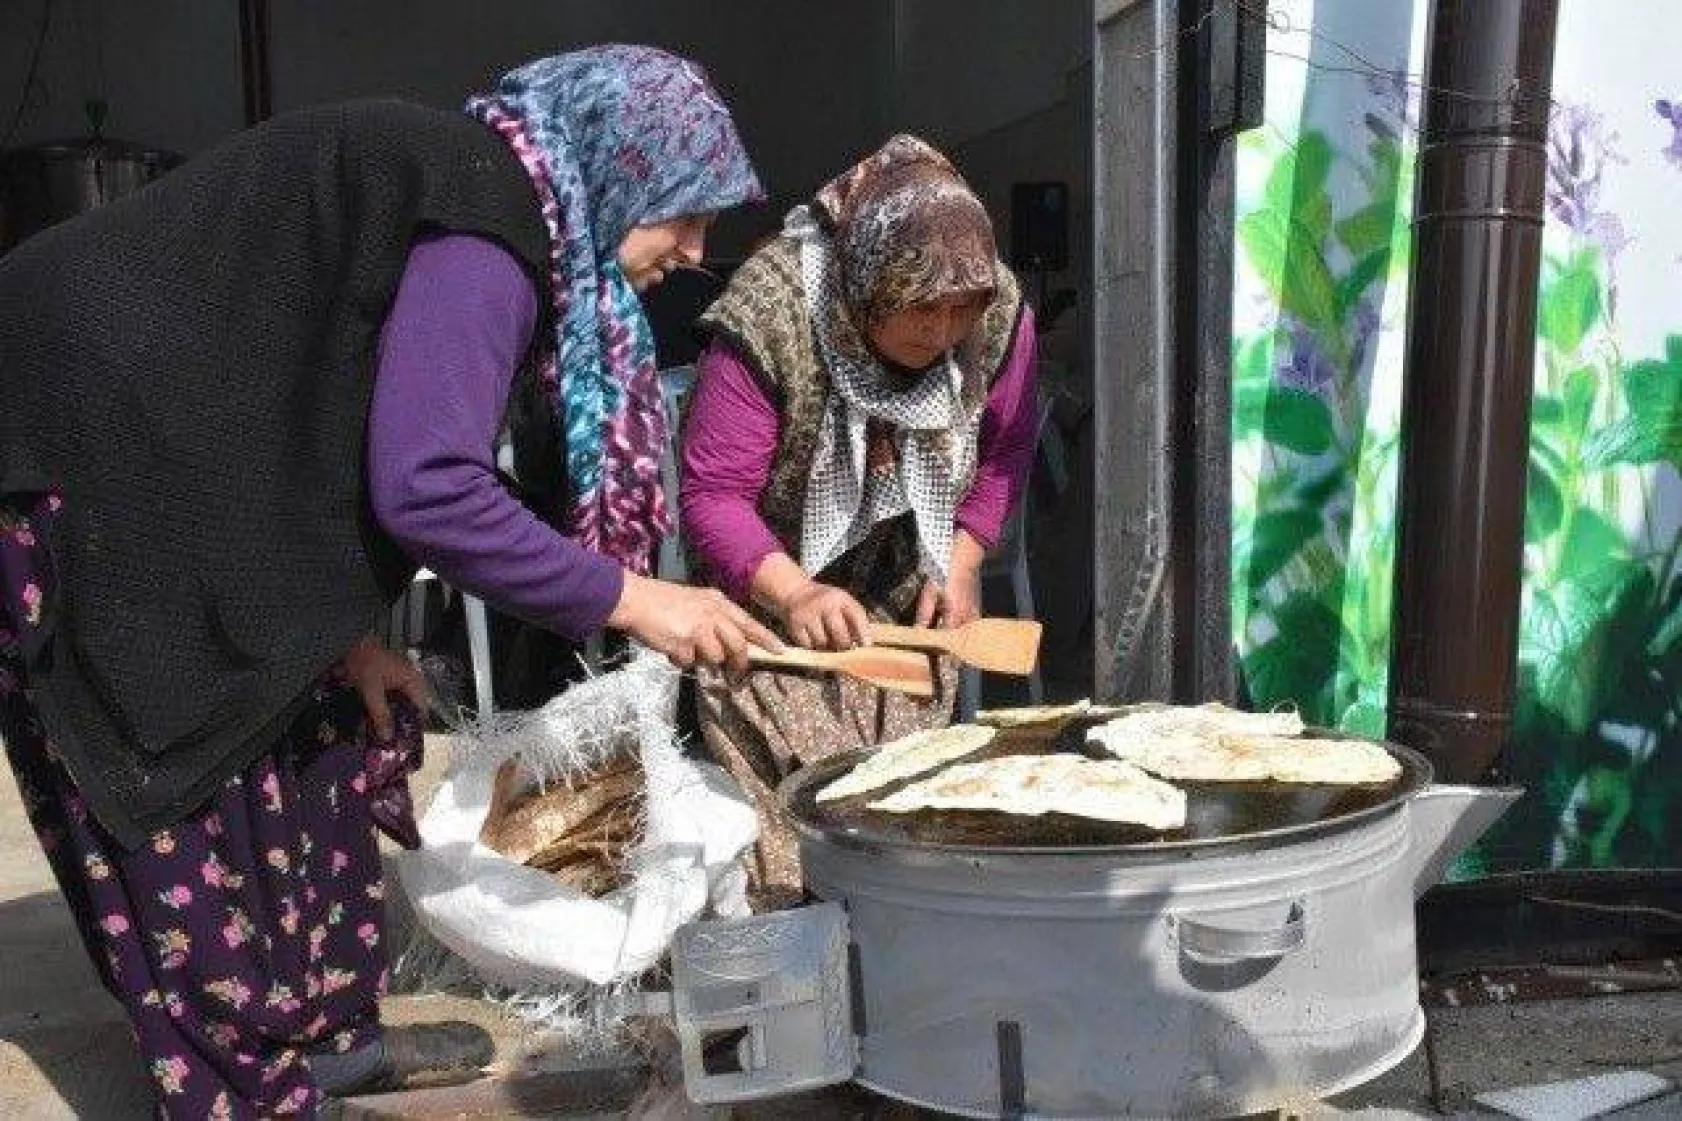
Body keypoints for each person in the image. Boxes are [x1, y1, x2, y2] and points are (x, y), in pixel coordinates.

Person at [0, 45, 780, 1117]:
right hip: (81, 459)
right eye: (683, 211)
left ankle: (328, 1039)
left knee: (332, 712)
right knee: (183, 777)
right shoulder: (486, 229)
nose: (695, 250)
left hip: (196, 460)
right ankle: (245, 1087)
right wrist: (639, 597)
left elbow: (320, 413)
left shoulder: (491, 206)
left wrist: (353, 633)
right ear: (618, 167)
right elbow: (431, 489)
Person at [679, 135, 1040, 902]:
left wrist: (965, 555)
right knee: (792, 837)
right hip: (769, 602)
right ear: (868, 285)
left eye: (958, 312)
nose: (942, 332)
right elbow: (712, 495)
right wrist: (796, 594)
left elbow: (1007, 448)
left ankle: (901, 968)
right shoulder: (772, 313)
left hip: (906, 593)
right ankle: (794, 976)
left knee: (908, 828)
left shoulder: (998, 311)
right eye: (920, 309)